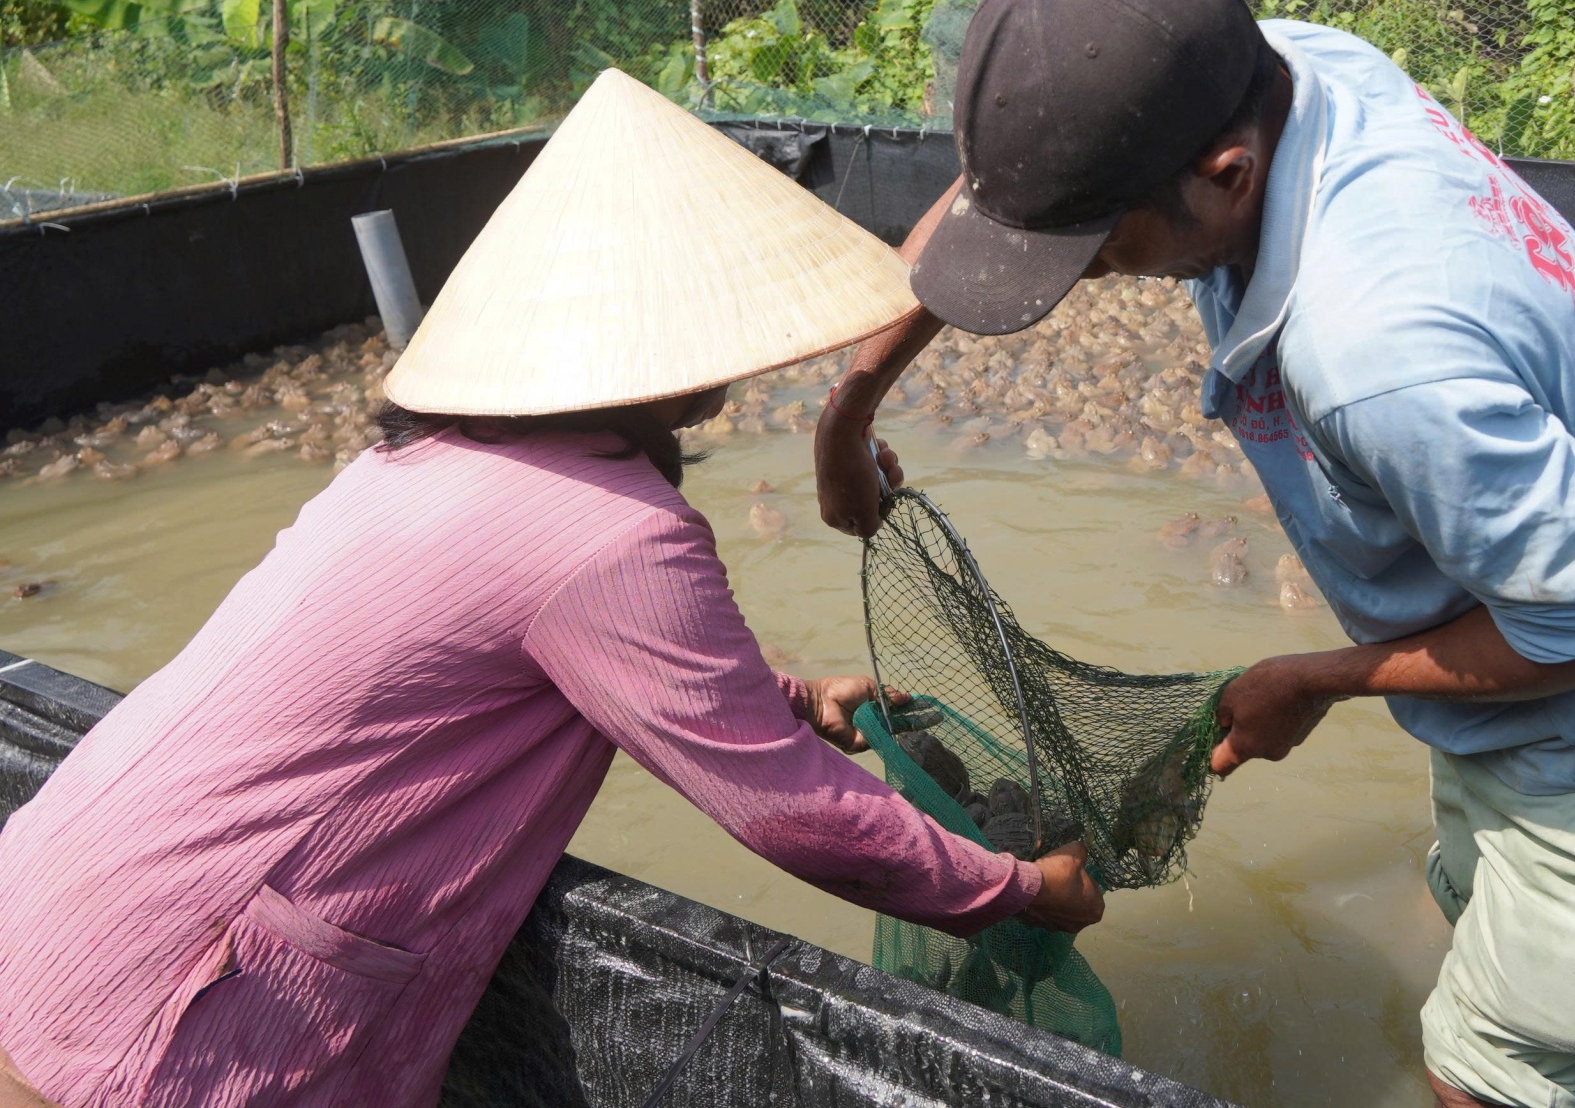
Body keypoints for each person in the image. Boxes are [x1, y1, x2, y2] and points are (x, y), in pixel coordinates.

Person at [813, 0, 1575, 1108]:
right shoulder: (1254, 65)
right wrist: (848, 410)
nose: (1079, 277)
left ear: (1227, 172)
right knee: (1474, 919)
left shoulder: (1375, 352)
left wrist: (1316, 678)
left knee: (1486, 1079)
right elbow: (1007, 194)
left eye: (1098, 245)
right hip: (1532, 603)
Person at [0, 70, 1101, 1108]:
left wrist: (791, 699)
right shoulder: (621, 531)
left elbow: (521, 652)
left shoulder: (412, 459)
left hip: (58, 887)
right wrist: (1016, 888)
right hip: (180, 994)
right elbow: (790, 809)